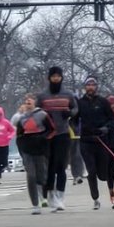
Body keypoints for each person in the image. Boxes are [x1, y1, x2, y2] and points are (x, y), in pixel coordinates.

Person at [37, 65, 78, 211]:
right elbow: (36, 112)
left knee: (61, 166)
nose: (56, 78)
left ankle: (60, 196)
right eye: (53, 76)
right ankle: (51, 194)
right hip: (48, 135)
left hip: (63, 134)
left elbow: (75, 108)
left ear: (61, 78)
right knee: (49, 167)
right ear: (49, 78)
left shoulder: (68, 94)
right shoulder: (42, 96)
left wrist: (70, 113)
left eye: (58, 76)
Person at [76, 76, 114, 210]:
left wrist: (105, 129)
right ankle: (95, 198)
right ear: (85, 87)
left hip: (101, 141)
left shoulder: (103, 102)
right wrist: (77, 129)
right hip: (86, 141)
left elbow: (112, 120)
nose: (90, 87)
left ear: (96, 87)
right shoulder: (80, 103)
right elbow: (73, 120)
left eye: (93, 85)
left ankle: (109, 188)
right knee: (91, 171)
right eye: (88, 85)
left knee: (102, 174)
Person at [15, 92, 54, 213]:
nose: (28, 101)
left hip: (40, 150)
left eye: (30, 99)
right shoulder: (21, 118)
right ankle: (35, 205)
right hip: (27, 150)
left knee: (42, 177)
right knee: (31, 176)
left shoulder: (42, 115)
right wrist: (22, 148)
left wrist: (44, 139)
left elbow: (52, 130)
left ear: (35, 101)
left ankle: (47, 196)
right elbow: (19, 135)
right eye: (26, 99)